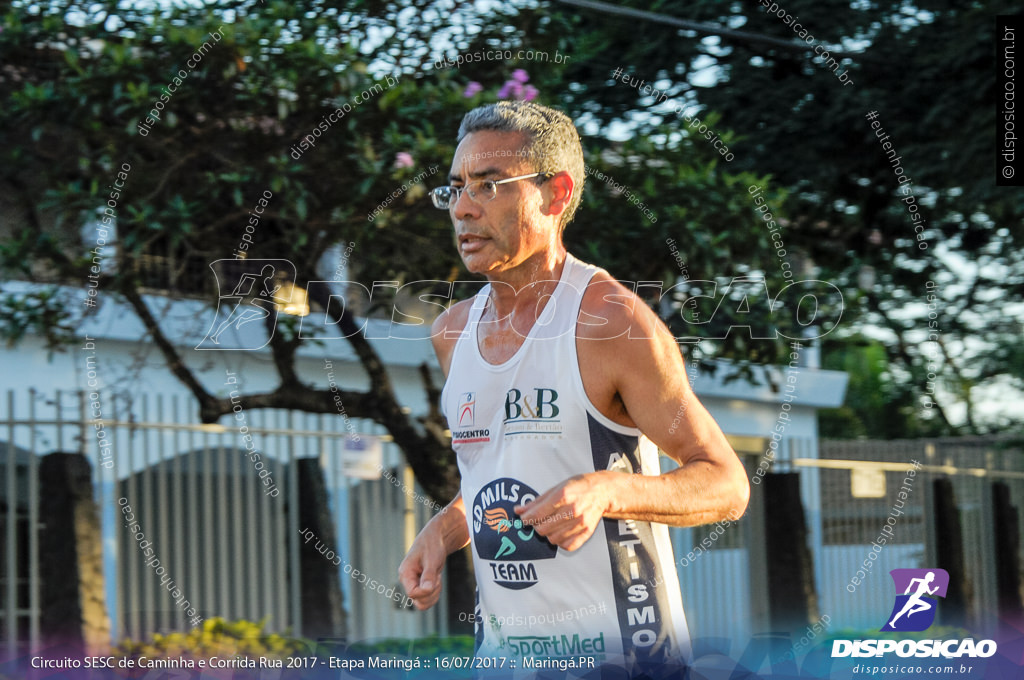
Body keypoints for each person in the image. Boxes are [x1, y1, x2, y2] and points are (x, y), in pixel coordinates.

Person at [398, 100, 749, 677]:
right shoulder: (451, 332)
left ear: (555, 194)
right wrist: (445, 529)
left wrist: (607, 490)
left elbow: (726, 483)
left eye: (488, 187)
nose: (462, 208)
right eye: (456, 187)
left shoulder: (613, 321)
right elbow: (505, 475)